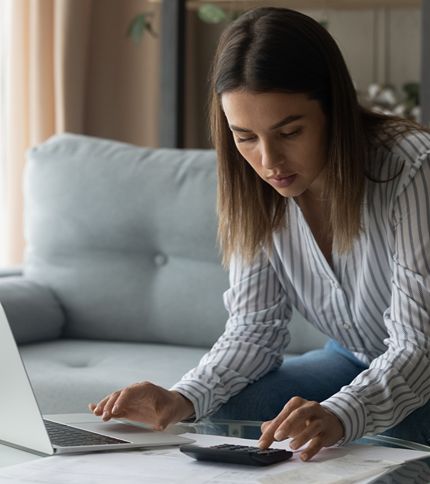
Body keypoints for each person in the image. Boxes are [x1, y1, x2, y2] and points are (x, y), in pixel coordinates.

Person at [89, 7, 430, 461]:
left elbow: (417, 348)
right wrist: (181, 398)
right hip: (351, 356)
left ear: (334, 110)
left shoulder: (412, 169)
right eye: (244, 136)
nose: (269, 161)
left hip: (422, 365)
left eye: (289, 131)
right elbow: (253, 330)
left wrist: (342, 414)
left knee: (362, 438)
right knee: (229, 411)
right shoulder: (255, 187)